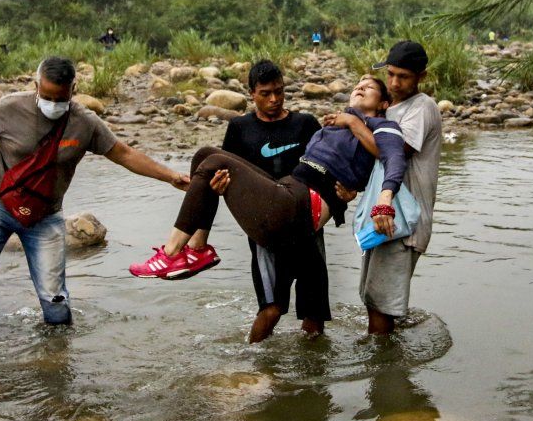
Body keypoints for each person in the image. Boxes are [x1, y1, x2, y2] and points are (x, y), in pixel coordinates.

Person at [0, 56, 190, 329]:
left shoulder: (85, 123)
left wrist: (170, 176)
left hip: (45, 217)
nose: (53, 104)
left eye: (61, 99)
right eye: (47, 96)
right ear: (36, 85)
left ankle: (56, 359)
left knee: (55, 301)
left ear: (73, 90)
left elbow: (124, 154)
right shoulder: (7, 108)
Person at [130, 76, 408, 343]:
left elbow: (394, 159)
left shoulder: (381, 127)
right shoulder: (333, 125)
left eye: (369, 87)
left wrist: (382, 198)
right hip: (284, 195)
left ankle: (172, 253)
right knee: (205, 155)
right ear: (252, 94)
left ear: (384, 103)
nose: (360, 88)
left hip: (299, 205)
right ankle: (197, 248)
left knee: (312, 310)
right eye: (357, 86)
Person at [221, 60, 326, 341]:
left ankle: (313, 376)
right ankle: (250, 364)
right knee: (271, 309)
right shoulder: (239, 128)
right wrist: (219, 187)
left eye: (279, 91)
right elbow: (229, 176)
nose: (274, 99)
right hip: (265, 230)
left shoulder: (306, 124)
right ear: (251, 93)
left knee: (314, 313)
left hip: (307, 226)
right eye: (266, 93)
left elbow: (326, 168)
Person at [350, 40, 441, 337]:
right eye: (390, 74)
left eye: (403, 76)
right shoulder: (390, 107)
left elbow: (394, 153)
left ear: (421, 77)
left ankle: (384, 371)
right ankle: (384, 358)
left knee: (382, 304)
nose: (394, 83)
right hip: (385, 217)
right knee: (374, 297)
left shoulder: (422, 108)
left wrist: (353, 124)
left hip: (405, 221)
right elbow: (373, 164)